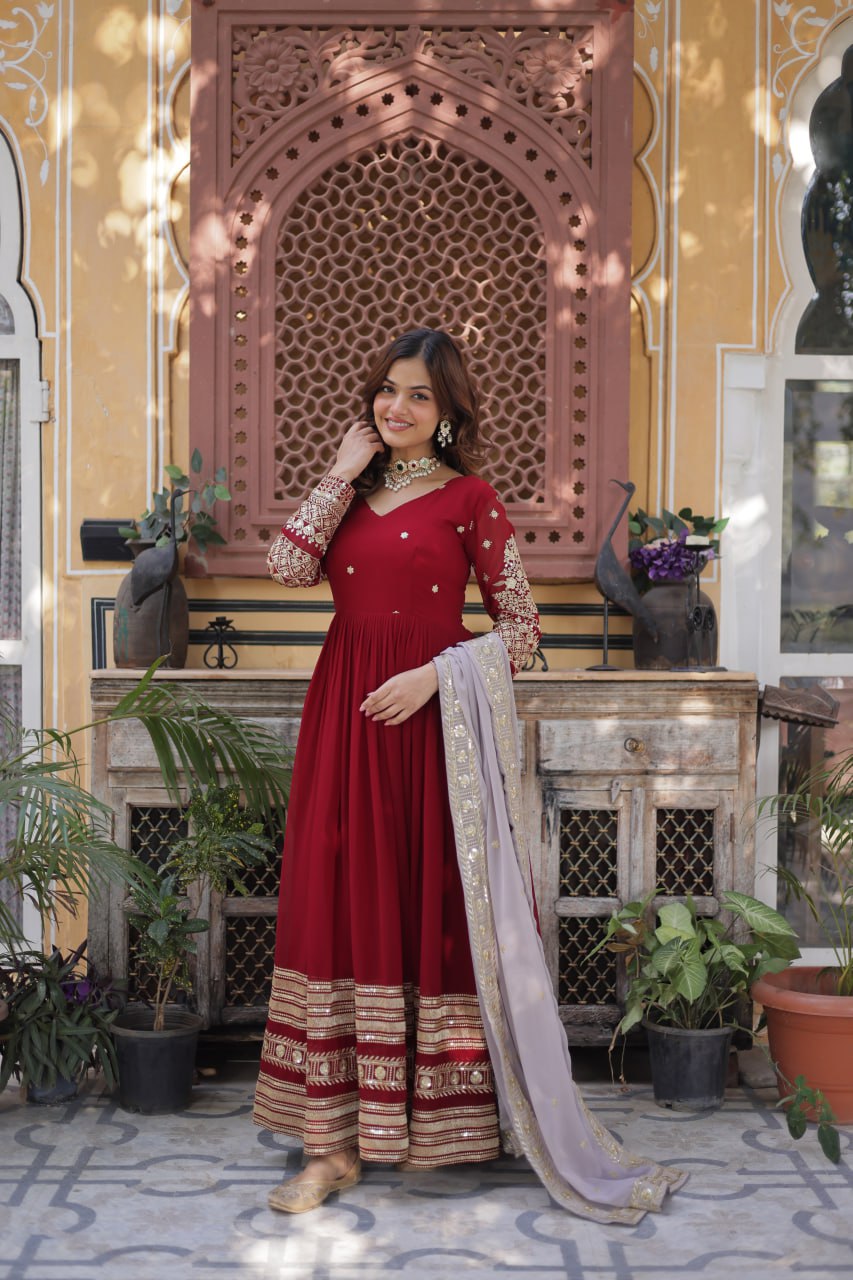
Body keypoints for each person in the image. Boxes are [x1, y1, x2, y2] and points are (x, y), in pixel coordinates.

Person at [253, 328, 685, 1223]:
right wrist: (339, 468)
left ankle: (434, 1128)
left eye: (416, 396)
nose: (395, 408)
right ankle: (329, 1146)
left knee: (427, 905)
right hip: (344, 722)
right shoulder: (351, 493)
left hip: (429, 734)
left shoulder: (471, 499)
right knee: (333, 902)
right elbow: (289, 567)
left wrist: (436, 677)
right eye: (385, 391)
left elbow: (524, 633)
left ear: (447, 412)